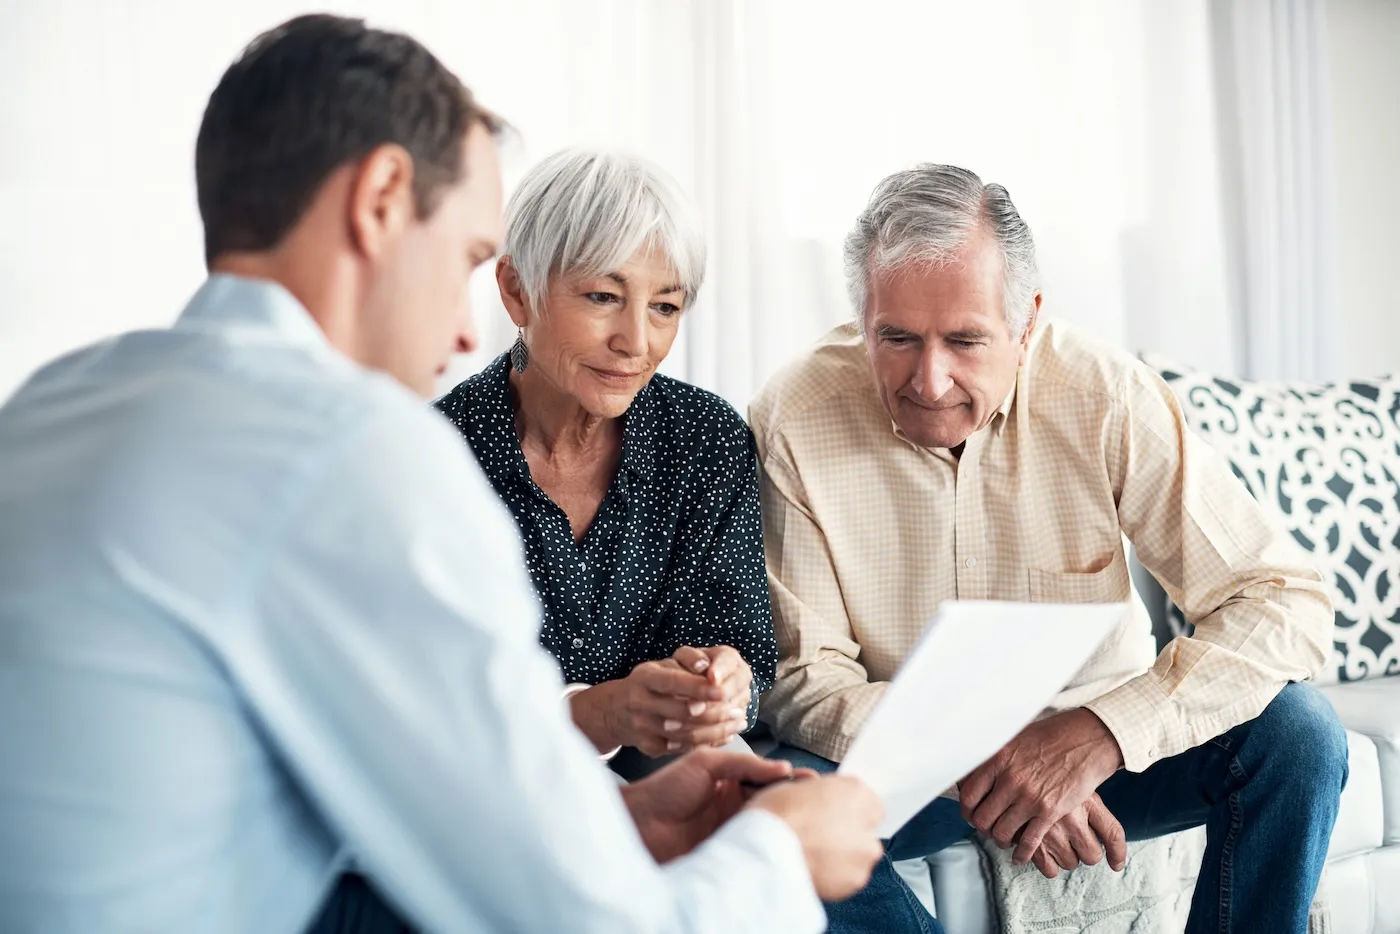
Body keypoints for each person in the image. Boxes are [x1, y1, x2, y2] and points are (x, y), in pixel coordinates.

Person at [0, 14, 884, 933]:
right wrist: (781, 849)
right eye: (466, 258)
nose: (467, 335)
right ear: (381, 198)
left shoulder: (49, 407)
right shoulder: (352, 449)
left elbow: (285, 790)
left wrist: (619, 818)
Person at [751, 163, 1349, 934]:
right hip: (914, 767)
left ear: (1026, 321)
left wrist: (1101, 736)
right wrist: (988, 758)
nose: (929, 380)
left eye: (966, 340)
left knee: (1297, 734)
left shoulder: (1102, 393)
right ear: (860, 316)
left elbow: (1281, 600)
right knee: (770, 814)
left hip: (1103, 749)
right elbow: (806, 681)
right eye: (895, 337)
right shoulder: (794, 417)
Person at [435, 149, 773, 778]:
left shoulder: (706, 437)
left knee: (826, 856)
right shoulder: (433, 458)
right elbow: (434, 708)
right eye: (602, 296)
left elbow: (740, 641)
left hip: (679, 764)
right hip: (495, 788)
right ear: (516, 290)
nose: (636, 342)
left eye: (665, 307)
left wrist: (722, 682)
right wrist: (602, 713)